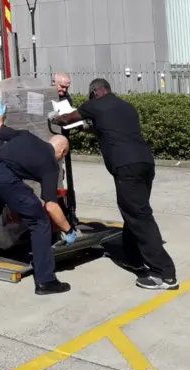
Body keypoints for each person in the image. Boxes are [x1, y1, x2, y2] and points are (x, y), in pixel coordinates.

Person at [54, 78, 178, 291]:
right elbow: (111, 130)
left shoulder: (94, 104)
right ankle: (132, 257)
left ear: (94, 92)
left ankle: (164, 273)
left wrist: (54, 115)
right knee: (133, 212)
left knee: (139, 216)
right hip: (145, 163)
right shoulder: (126, 107)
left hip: (126, 167)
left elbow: (66, 119)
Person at [0, 99, 75, 295]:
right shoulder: (50, 165)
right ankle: (46, 281)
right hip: (3, 178)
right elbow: (51, 206)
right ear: (61, 152)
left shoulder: (26, 136)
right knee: (40, 222)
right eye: (63, 156)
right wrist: (68, 229)